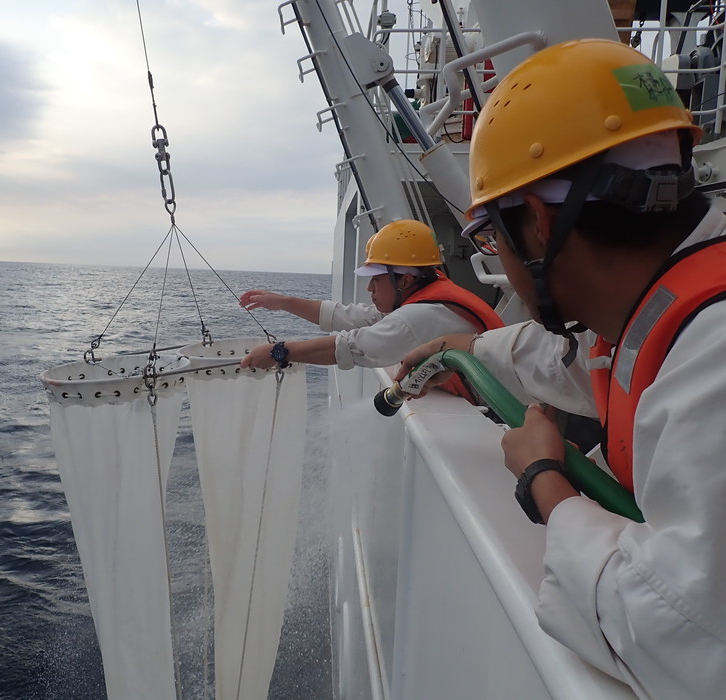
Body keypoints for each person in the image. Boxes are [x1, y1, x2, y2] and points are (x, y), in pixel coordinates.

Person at [396, 39, 726, 699]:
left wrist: (542, 476)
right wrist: (467, 348)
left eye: (491, 235)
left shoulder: (711, 361)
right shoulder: (665, 312)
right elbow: (575, 361)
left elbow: (680, 637)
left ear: (538, 224)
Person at [239, 219, 502, 371]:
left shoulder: (418, 316)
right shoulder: (427, 297)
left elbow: (350, 347)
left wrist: (278, 352)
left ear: (405, 280)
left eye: (376, 279)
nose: (370, 288)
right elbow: (352, 316)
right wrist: (283, 302)